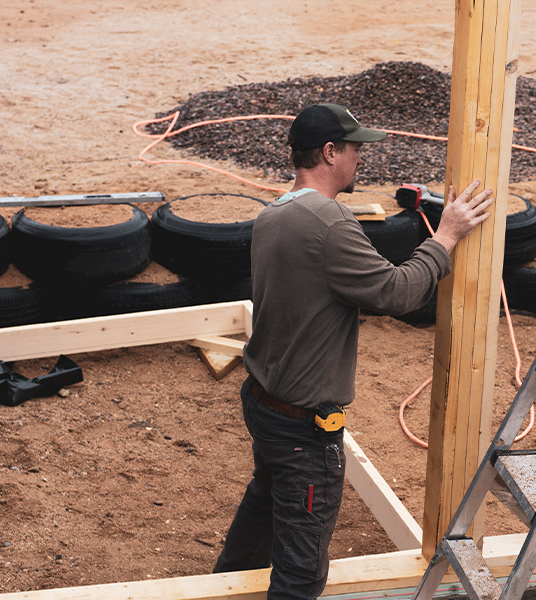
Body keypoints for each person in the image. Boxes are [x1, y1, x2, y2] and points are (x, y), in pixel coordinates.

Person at [212, 103, 494, 600]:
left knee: (265, 507)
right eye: (355, 149)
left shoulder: (274, 213)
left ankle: (220, 587)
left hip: (266, 400)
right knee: (300, 574)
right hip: (303, 423)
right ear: (328, 152)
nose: (360, 158)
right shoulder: (329, 222)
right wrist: (446, 235)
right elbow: (397, 293)